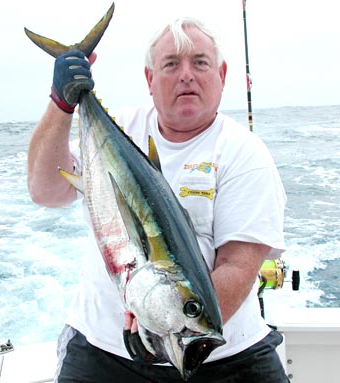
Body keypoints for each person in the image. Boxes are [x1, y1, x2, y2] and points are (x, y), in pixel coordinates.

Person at [28, 16, 289, 383]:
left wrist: (167, 325)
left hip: (224, 353)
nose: (186, 75)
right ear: (150, 80)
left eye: (200, 62)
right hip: (104, 350)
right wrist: (62, 103)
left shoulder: (244, 154)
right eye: (171, 64)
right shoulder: (117, 129)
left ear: (222, 75)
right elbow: (45, 192)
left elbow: (238, 266)